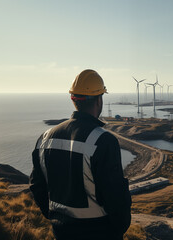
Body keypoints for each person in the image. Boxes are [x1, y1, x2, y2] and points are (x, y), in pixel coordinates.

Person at [30, 69, 132, 240]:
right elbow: (115, 197)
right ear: (99, 100)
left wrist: (54, 217)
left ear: (73, 99)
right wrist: (118, 230)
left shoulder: (45, 138)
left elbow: (36, 185)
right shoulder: (103, 140)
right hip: (100, 233)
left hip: (61, 232)